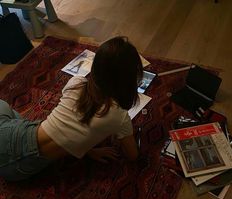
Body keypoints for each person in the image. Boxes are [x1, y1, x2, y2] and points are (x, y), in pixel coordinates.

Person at [0, 36, 143, 181]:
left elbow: (70, 124)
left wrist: (88, 149)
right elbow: (133, 156)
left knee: (3, 106)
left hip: (15, 136)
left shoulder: (76, 83)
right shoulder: (119, 116)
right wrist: (89, 147)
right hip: (18, 170)